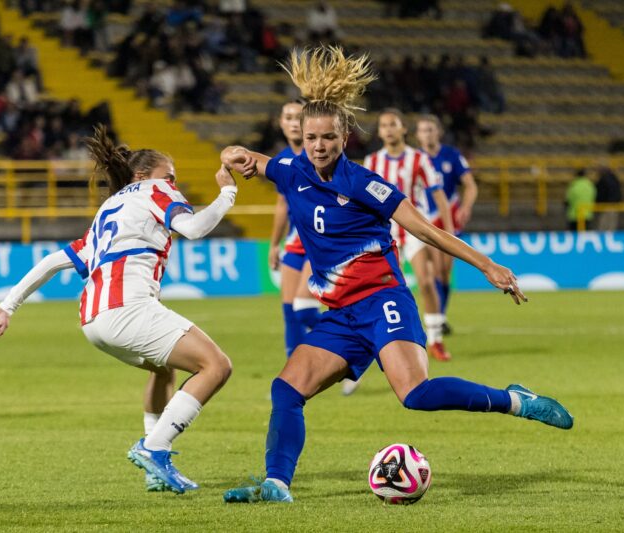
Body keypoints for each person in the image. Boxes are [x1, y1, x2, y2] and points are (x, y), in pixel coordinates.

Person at [219, 46, 573, 504]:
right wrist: (233, 154)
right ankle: (276, 485)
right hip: (341, 315)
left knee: (416, 394)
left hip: (382, 300)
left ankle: (515, 400)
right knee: (286, 389)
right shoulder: (291, 172)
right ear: (301, 138)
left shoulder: (363, 183)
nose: (319, 146)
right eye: (311, 138)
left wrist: (487, 264)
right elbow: (250, 158)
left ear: (345, 136)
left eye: (328, 137)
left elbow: (425, 229)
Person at [0, 125, 238, 495]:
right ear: (142, 176)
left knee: (163, 370)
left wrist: (6, 306)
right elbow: (193, 228)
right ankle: (155, 449)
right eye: (169, 175)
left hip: (94, 321)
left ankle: (153, 470)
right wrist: (227, 193)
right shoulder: (155, 190)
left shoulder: (108, 210)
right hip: (129, 308)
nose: (173, 183)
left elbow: (53, 261)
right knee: (216, 366)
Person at [364, 109, 451, 363]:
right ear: (379, 132)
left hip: (414, 230)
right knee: (388, 289)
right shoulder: (372, 162)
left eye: (393, 124)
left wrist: (447, 233)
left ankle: (435, 339)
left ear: (403, 129)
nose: (389, 129)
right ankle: (392, 340)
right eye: (384, 125)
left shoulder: (419, 159)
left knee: (426, 281)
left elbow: (438, 194)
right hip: (385, 232)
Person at [268, 98, 322, 357]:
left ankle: (352, 346)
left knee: (304, 309)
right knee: (290, 311)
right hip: (294, 241)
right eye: (287, 117)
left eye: (297, 117)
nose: (292, 123)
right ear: (280, 122)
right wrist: (274, 244)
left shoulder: (320, 154)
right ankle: (295, 371)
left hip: (319, 242)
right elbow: (282, 204)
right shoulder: (281, 160)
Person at [416, 114, 478, 335]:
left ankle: (439, 316)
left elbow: (470, 185)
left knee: (444, 271)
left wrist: (466, 207)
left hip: (448, 217)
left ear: (439, 132)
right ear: (417, 135)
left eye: (430, 129)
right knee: (433, 270)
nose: (427, 134)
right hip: (424, 218)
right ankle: (436, 319)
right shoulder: (415, 158)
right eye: (423, 130)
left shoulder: (452, 155)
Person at [594, 162, 622, 232]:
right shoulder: (614, 178)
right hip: (614, 205)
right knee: (611, 227)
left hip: (605, 206)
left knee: (603, 227)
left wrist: (598, 203)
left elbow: (601, 194)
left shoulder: (603, 180)